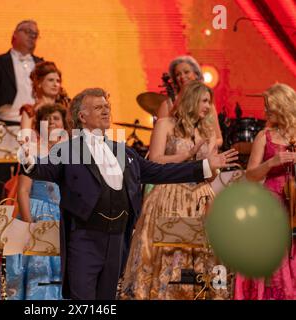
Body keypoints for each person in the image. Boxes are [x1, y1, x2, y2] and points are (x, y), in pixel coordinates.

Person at [19, 87, 238, 300]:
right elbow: (42, 169)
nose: (106, 111)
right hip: (85, 238)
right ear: (82, 116)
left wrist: (203, 166)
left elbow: (159, 171)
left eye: (107, 106)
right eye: (98, 107)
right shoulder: (67, 150)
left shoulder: (123, 151)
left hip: (117, 237)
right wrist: (27, 159)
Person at [120, 81, 230, 300]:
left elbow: (209, 174)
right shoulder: (165, 124)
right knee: (169, 251)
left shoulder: (206, 133)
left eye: (210, 102)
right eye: (205, 101)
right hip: (168, 196)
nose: (208, 107)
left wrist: (214, 167)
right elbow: (155, 161)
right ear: (191, 99)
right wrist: (188, 155)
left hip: (198, 197)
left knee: (198, 254)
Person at [0, 103, 68, 300]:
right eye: (47, 119)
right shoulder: (31, 151)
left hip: (61, 214)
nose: (52, 122)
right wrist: (29, 225)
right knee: (32, 271)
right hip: (35, 212)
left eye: (56, 118)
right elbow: (22, 190)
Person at [234, 83, 296, 300]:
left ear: (283, 106)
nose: (265, 112)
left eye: (269, 107)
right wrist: (272, 162)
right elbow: (250, 175)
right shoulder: (264, 136)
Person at [0, 20, 43, 126]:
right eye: (28, 31)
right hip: (4, 124)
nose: (32, 36)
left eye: (35, 34)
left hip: (37, 123)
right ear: (15, 34)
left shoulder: (42, 64)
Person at [157, 56, 223, 147]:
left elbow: (219, 139)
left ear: (196, 74)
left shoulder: (207, 105)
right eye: (178, 74)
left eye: (186, 72)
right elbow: (159, 142)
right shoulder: (167, 105)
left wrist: (201, 147)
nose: (182, 77)